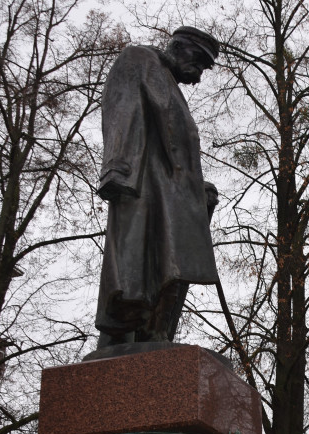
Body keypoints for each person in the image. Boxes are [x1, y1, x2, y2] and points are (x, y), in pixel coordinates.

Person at [95, 27, 221, 348]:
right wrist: (118, 167)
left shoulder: (168, 80)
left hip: (171, 189)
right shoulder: (139, 58)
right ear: (179, 47)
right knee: (138, 263)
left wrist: (196, 189)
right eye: (199, 63)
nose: (198, 76)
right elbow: (121, 107)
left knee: (172, 263)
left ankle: (155, 331)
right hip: (143, 180)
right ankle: (130, 332)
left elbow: (176, 143)